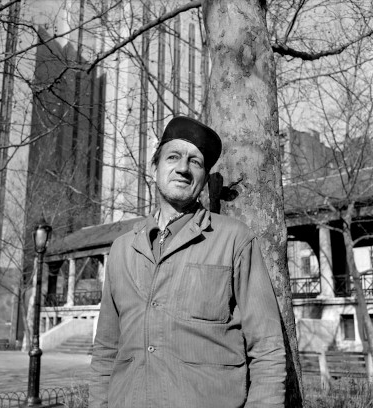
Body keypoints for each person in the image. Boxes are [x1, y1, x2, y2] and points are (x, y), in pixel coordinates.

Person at [90, 116, 286, 408]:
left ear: (204, 179)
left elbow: (268, 347)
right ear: (155, 168)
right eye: (173, 157)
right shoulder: (121, 250)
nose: (183, 168)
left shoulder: (234, 240)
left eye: (195, 162)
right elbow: (106, 350)